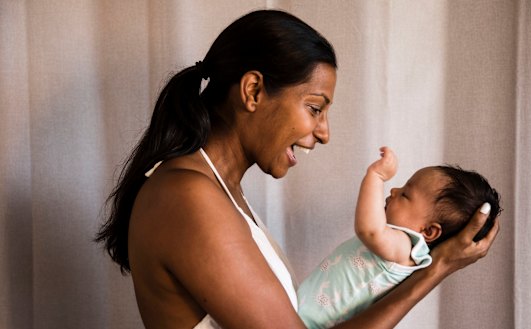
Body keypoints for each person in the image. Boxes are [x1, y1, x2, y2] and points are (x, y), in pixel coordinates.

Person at [95, 9, 500, 329]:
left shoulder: (215, 190)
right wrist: (438, 268)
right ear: (253, 91)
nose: (323, 133)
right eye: (314, 108)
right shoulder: (188, 197)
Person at [297, 147, 502, 328]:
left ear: (428, 232)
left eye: (405, 195)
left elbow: (369, 230)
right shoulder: (401, 246)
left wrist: (376, 176)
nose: (394, 190)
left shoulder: (406, 247)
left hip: (310, 322)